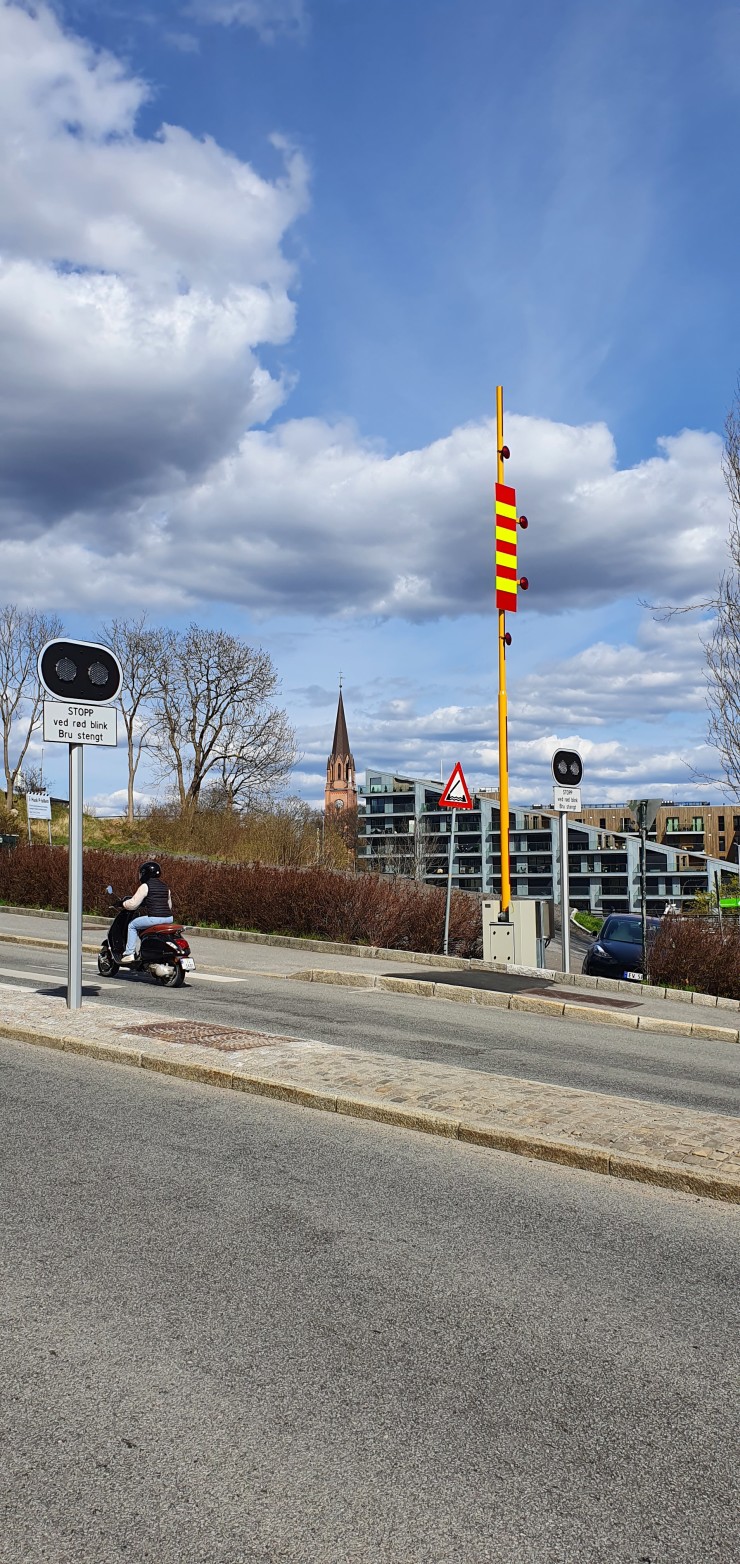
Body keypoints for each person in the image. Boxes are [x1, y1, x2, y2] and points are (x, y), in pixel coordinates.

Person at [120, 862, 174, 963]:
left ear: (145, 873)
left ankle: (129, 953)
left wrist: (123, 904)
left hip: (154, 918)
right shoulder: (165, 887)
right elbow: (169, 906)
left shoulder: (145, 886)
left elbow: (133, 904)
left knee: (132, 925)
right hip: (168, 918)